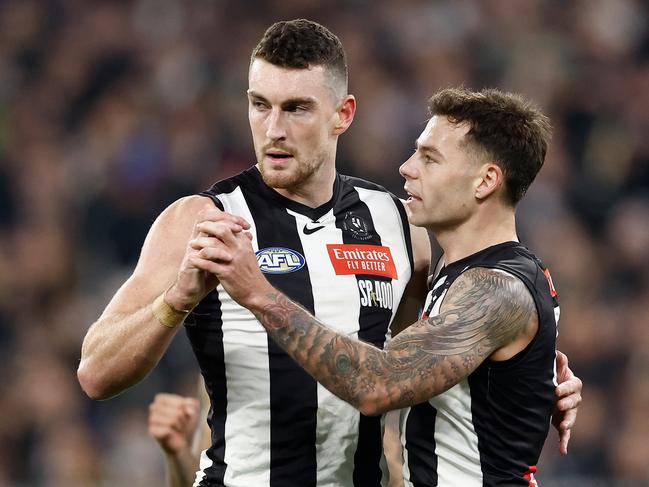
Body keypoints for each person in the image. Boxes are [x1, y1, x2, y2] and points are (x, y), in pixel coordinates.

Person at [77, 19, 581, 487]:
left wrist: (529, 382)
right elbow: (96, 374)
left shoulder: (399, 224)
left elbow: (415, 364)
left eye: (296, 108)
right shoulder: (200, 220)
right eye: (259, 104)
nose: (273, 128)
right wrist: (176, 300)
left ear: (343, 114)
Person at [187, 86, 575, 486]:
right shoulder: (461, 276)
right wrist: (541, 377)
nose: (407, 168)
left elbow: (378, 384)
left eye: (430, 158)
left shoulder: (495, 287)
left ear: (485, 181)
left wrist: (258, 292)